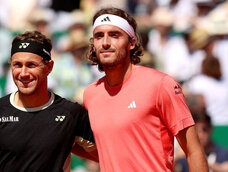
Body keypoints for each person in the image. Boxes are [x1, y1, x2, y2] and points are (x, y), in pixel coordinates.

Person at [83, 7, 208, 171]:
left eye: (114, 35)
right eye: (99, 36)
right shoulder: (90, 94)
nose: (105, 42)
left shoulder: (161, 84)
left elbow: (193, 151)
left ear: (132, 43)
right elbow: (106, 152)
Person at [0, 31, 97, 172]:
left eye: (31, 65)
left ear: (49, 67)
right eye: (17, 65)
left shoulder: (71, 113)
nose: (24, 73)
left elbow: (106, 156)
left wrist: (67, 141)